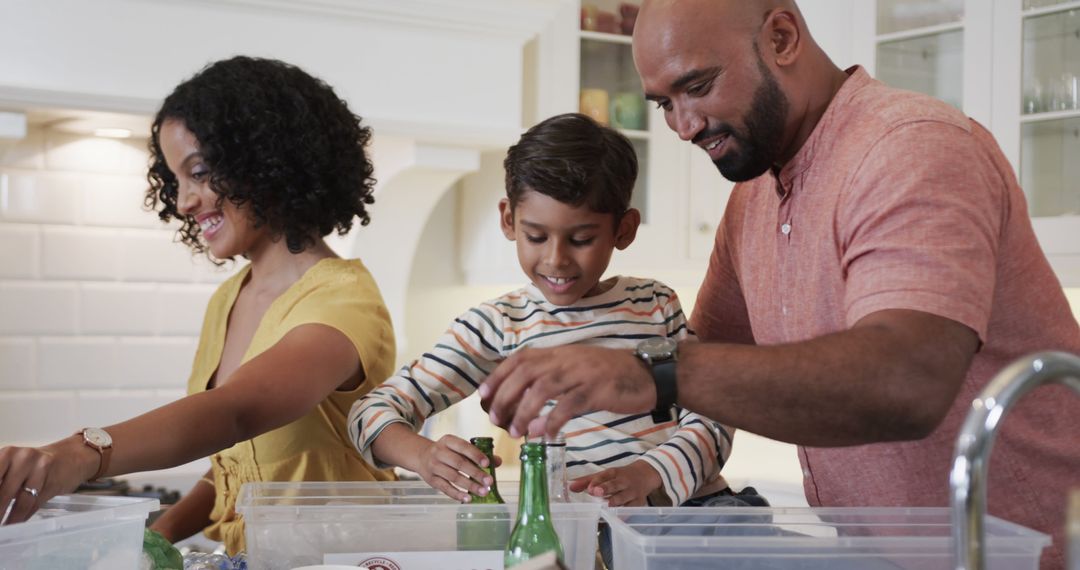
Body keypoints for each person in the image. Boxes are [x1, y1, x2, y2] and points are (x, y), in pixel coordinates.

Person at [478, 1, 1080, 568]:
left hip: (1027, 554)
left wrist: (649, 370)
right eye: (663, 102)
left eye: (697, 85)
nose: (682, 126)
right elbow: (707, 372)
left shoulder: (912, 147)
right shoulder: (753, 201)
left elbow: (909, 380)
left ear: (781, 38)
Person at [0, 56, 397, 555]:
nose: (185, 201)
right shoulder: (229, 299)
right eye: (176, 181)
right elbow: (231, 468)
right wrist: (149, 543)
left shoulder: (344, 301)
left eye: (200, 172)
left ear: (266, 159)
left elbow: (235, 413)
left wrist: (80, 452)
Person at [348, 113, 740, 512]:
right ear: (508, 220)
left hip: (701, 509)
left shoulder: (654, 304)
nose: (557, 260)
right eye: (536, 236)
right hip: (588, 527)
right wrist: (424, 457)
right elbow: (369, 413)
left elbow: (714, 410)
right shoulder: (498, 326)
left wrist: (649, 474)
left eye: (582, 239)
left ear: (624, 229)